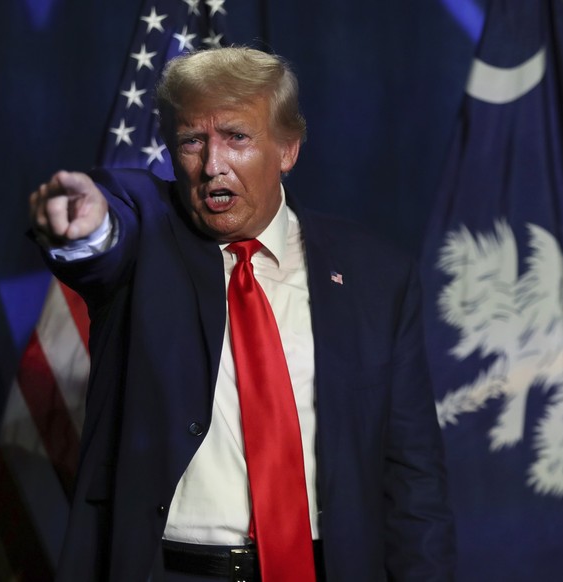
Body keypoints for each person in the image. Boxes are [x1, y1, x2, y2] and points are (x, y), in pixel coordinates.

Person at [29, 47, 455, 582]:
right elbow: (108, 236)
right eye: (191, 141)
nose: (211, 165)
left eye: (236, 137)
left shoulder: (376, 276)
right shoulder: (148, 244)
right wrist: (87, 231)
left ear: (288, 148)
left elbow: (411, 476)